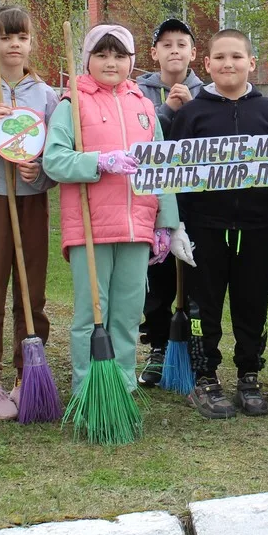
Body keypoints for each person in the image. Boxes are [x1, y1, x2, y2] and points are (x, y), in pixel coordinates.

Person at [42, 24, 179, 392]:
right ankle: (87, 388)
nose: (110, 62)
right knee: (92, 313)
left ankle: (120, 388)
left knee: (129, 314)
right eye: (102, 54)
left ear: (131, 61)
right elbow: (54, 161)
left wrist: (167, 223)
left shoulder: (145, 106)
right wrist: (98, 162)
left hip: (136, 226)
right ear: (88, 59)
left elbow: (160, 168)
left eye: (119, 55)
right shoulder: (72, 103)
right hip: (91, 228)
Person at [169, 28, 268, 419]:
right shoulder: (191, 114)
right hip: (205, 227)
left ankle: (249, 374)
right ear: (206, 64)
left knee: (252, 304)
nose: (228, 64)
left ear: (251, 63)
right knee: (204, 306)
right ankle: (205, 377)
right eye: (219, 57)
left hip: (255, 228)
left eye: (236, 57)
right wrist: (178, 226)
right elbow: (176, 175)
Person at [0, 5, 58, 420]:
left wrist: (38, 172)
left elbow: (56, 156)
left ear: (31, 42)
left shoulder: (46, 95)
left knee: (31, 292)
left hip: (31, 201)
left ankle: (27, 374)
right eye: (6, 37)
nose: (14, 45)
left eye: (21, 37)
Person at [135, 18, 204, 388]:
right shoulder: (138, 93)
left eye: (182, 44)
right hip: (153, 204)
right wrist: (166, 111)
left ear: (194, 53)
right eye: (166, 44)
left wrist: (192, 109)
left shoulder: (205, 93)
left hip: (195, 204)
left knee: (195, 281)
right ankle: (159, 347)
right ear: (154, 53)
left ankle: (193, 348)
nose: (174, 50)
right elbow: (137, 140)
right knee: (157, 280)